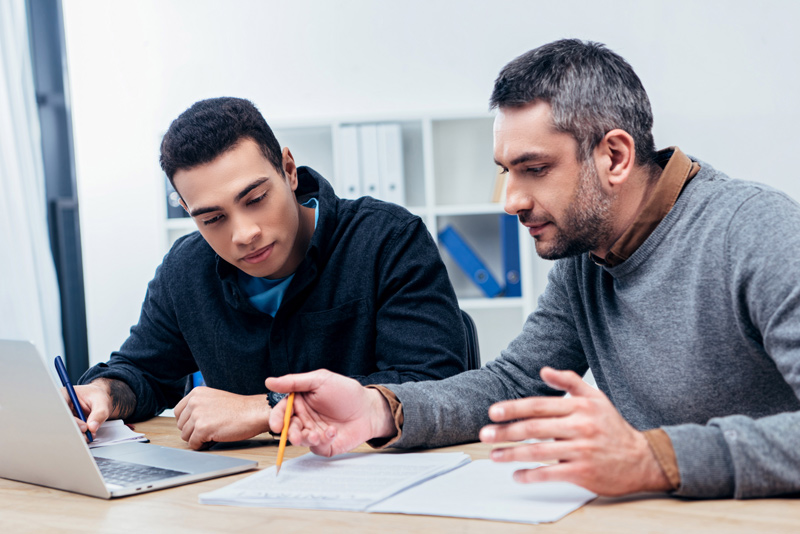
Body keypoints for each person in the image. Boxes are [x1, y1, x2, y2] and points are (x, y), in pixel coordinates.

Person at [265, 39, 800, 500]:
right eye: (505, 172)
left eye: (535, 169)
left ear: (614, 156)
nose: (511, 201)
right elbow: (515, 383)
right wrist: (378, 410)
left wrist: (652, 456)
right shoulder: (588, 255)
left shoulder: (757, 232)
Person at [71, 97, 468, 450]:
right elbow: (144, 371)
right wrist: (104, 392)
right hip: (242, 494)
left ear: (289, 170)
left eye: (256, 199)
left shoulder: (388, 239)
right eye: (212, 219)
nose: (244, 234)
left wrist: (263, 410)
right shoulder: (185, 269)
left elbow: (432, 387)